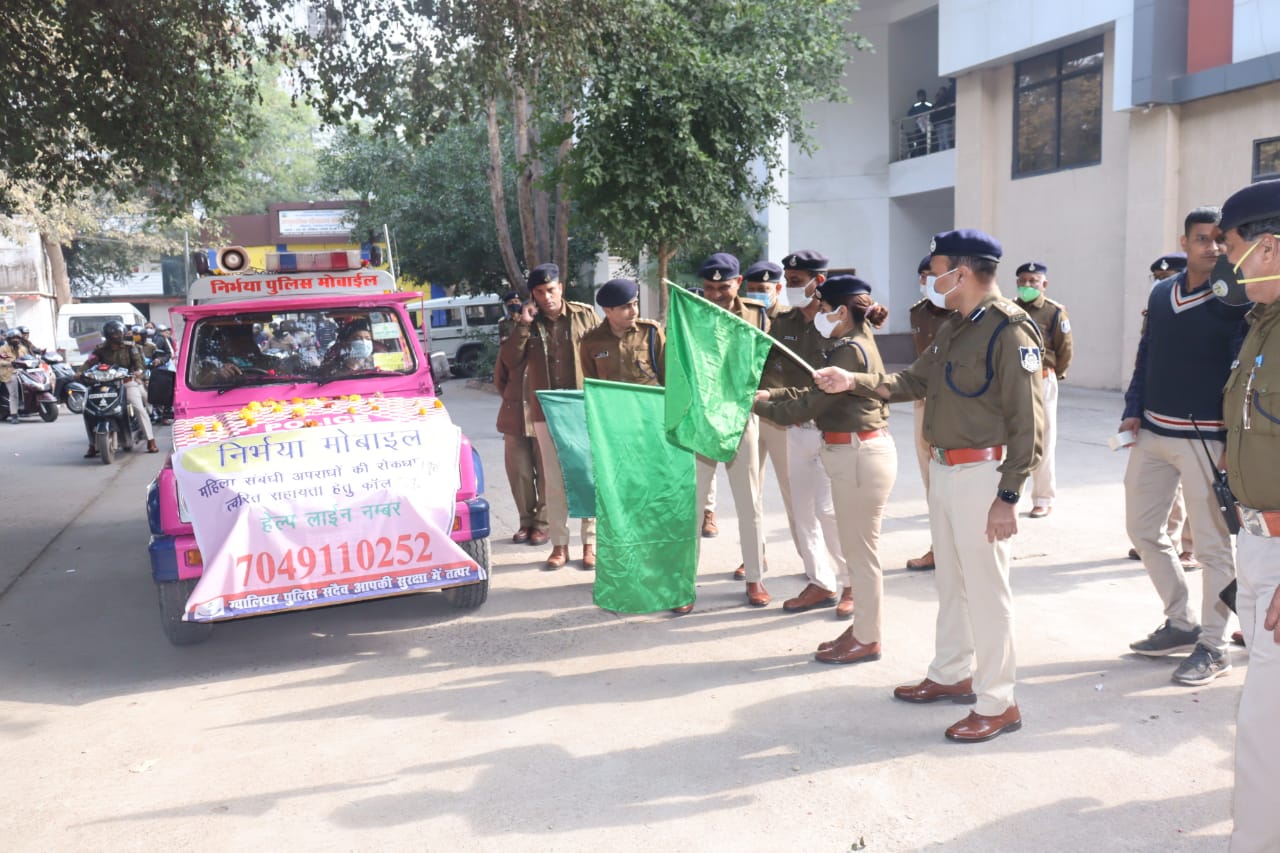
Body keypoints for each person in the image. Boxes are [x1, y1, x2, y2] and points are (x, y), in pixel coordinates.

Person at [812, 229, 1044, 743]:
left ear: (961, 272)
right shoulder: (957, 327)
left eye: (937, 268)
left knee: (987, 593)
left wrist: (1009, 497)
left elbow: (1030, 423)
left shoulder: (1010, 330)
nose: (932, 279)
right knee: (953, 584)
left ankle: (998, 702)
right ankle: (951, 673)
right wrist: (852, 381)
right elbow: (915, 380)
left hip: (984, 475)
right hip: (945, 469)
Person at [1121, 206, 1248, 686]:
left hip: (1204, 437)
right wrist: (1133, 406)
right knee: (1142, 529)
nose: (1212, 247)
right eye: (1202, 239)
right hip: (1153, 431)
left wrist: (1232, 439)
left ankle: (1214, 645)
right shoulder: (1160, 293)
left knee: (1213, 547)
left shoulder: (1236, 298)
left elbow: (1242, 373)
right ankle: (1180, 620)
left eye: (1219, 239)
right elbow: (1146, 352)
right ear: (1185, 241)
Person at [755, 275, 897, 662]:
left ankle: (867, 639)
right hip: (851, 451)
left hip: (858, 454)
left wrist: (757, 405)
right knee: (857, 549)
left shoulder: (849, 351)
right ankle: (863, 629)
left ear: (841, 311)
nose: (817, 313)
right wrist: (772, 394)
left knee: (861, 555)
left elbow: (809, 406)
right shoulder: (847, 345)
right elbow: (814, 391)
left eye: (823, 307)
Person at [1214, 178, 1280, 853]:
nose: (1227, 268)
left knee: (1268, 727)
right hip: (1259, 542)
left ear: (1269, 245)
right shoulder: (1262, 323)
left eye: (1231, 251)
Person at [765, 250, 850, 616]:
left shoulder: (839, 318)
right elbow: (769, 364)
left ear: (819, 281)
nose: (789, 288)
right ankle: (821, 582)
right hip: (797, 426)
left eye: (798, 281)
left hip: (834, 427)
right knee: (802, 513)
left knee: (830, 512)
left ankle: (852, 583)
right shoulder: (783, 322)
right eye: (787, 281)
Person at [501, 263, 600, 570]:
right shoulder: (527, 322)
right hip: (545, 411)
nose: (547, 297)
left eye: (551, 290)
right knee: (553, 480)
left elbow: (600, 356)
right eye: (540, 292)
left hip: (582, 408)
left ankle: (590, 543)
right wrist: (524, 324)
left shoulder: (585, 315)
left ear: (561, 287)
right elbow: (510, 361)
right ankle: (559, 545)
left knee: (587, 476)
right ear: (533, 294)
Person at [691, 252, 771, 609]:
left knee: (749, 502)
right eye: (710, 288)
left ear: (738, 282)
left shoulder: (757, 313)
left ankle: (754, 579)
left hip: (740, 418)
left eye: (723, 287)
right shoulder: (690, 311)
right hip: (702, 420)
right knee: (691, 506)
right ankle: (682, 583)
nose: (716, 294)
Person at [1127, 252, 1198, 570]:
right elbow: (1144, 359)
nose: (1162, 284)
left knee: (1196, 487)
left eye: (1167, 277)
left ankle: (1190, 548)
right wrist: (1135, 407)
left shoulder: (1207, 306)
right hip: (1158, 408)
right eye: (1158, 279)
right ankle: (1162, 542)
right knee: (1159, 483)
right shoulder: (1157, 308)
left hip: (1196, 412)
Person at [906, 254, 954, 572]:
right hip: (924, 400)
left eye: (933, 275)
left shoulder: (962, 313)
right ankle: (939, 547)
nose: (927, 282)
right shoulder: (917, 313)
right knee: (931, 481)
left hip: (955, 404)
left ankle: (956, 549)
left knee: (955, 480)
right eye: (923, 275)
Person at [1014, 262, 1073, 518]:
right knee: (1013, 440)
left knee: (1044, 441)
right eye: (1023, 281)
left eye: (1033, 281)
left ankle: (1042, 498)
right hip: (1013, 382)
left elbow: (1065, 349)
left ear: (1044, 284)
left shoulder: (1054, 312)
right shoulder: (1008, 308)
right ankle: (1010, 495)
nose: (1027, 286)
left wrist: (1051, 375)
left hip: (1042, 380)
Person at [494, 291, 548, 547]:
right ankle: (525, 521)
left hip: (545, 414)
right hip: (514, 414)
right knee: (520, 473)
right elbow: (503, 370)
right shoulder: (515, 331)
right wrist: (523, 325)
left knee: (548, 473)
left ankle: (542, 524)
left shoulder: (555, 332)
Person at [82, 320, 157, 455]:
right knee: (89, 411)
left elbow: (139, 363)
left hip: (126, 382)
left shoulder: (130, 347)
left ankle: (150, 440)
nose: (116, 336)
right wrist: (79, 372)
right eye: (113, 334)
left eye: (118, 333)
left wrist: (139, 371)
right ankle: (92, 444)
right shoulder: (100, 349)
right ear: (107, 335)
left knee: (138, 408)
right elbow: (90, 362)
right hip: (105, 384)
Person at [580, 278, 665, 385]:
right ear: (607, 311)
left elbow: (667, 374)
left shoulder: (651, 332)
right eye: (626, 307)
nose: (634, 311)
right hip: (612, 400)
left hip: (646, 400)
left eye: (635, 304)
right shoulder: (591, 340)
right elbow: (592, 384)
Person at [1, 330, 22, 423]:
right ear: (9, 339)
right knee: (14, 394)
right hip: (8, 372)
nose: (16, 340)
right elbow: (1, 361)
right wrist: (10, 363)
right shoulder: (3, 349)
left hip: (22, 372)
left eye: (17, 338)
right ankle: (14, 415)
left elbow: (28, 357)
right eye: (14, 338)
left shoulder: (21, 348)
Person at [906, 88, 933, 157]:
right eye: (920, 96)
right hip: (919, 127)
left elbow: (933, 112)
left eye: (923, 95)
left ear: (925, 96)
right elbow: (909, 114)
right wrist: (917, 117)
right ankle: (920, 154)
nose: (922, 97)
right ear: (918, 97)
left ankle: (928, 152)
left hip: (928, 126)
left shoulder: (929, 104)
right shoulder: (915, 105)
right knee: (920, 141)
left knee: (928, 140)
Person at [932, 81, 956, 151]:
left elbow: (952, 110)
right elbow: (933, 113)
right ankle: (941, 153)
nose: (940, 93)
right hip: (939, 123)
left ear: (945, 92)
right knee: (941, 141)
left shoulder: (949, 99)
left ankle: (947, 151)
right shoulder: (938, 102)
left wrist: (949, 105)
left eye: (941, 91)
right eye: (939, 92)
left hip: (946, 122)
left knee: (946, 140)